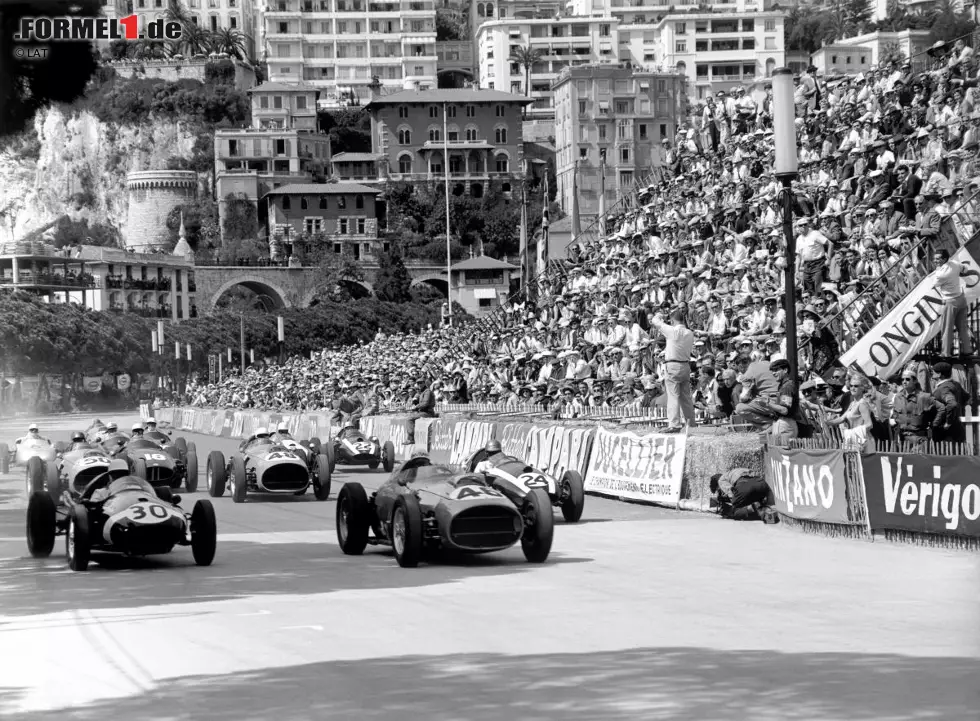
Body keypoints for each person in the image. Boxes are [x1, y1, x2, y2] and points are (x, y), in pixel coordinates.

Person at [649, 307, 696, 433]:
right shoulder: (689, 333)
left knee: (673, 396)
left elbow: (655, 321)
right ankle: (691, 424)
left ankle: (674, 424)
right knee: (686, 397)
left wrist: (660, 315)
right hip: (685, 365)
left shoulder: (671, 331)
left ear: (672, 320)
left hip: (673, 365)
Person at [933, 248, 979, 356]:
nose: (935, 261)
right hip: (961, 299)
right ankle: (968, 351)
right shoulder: (955, 263)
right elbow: (965, 270)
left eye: (938, 259)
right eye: (934, 259)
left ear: (944, 259)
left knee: (947, 329)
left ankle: (945, 353)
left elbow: (934, 284)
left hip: (950, 302)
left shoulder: (941, 273)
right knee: (962, 327)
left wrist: (938, 269)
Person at [890, 367, 940, 450]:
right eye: (902, 380)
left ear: (915, 381)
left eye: (907, 379)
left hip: (919, 439)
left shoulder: (924, 396)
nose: (904, 382)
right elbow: (895, 412)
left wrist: (934, 424)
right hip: (903, 439)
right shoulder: (898, 397)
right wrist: (897, 419)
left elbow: (941, 408)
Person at [827, 374, 876, 453]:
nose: (852, 388)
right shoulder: (853, 403)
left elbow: (869, 425)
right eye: (851, 385)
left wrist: (850, 432)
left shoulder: (862, 404)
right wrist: (827, 422)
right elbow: (842, 418)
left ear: (862, 388)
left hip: (863, 442)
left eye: (856, 386)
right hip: (854, 441)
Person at [709, 468, 778, 522]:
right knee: (765, 506)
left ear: (717, 484)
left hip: (744, 485)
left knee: (735, 511)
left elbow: (731, 494)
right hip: (761, 483)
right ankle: (769, 517)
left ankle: (754, 508)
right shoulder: (733, 472)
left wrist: (729, 506)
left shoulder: (721, 480)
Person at [931, 362, 967, 443]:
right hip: (957, 426)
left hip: (946, 431)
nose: (932, 372)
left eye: (933, 371)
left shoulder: (944, 387)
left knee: (944, 454)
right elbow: (966, 398)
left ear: (939, 374)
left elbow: (952, 404)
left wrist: (948, 422)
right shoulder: (956, 384)